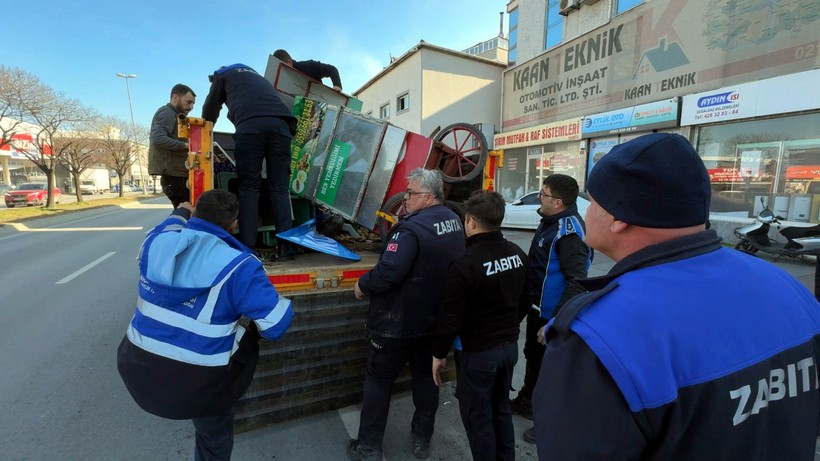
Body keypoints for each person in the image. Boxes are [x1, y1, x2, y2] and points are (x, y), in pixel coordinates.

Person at [532, 133, 820, 460]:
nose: (587, 211)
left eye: (594, 201)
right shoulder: (789, 288)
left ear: (619, 218)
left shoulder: (600, 335)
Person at [116, 189, 294, 461]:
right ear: (233, 224)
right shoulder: (240, 266)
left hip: (135, 371)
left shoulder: (155, 243)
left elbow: (169, 226)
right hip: (198, 390)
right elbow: (276, 326)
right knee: (214, 439)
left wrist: (180, 212)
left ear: (195, 214)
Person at [347, 168, 466, 461]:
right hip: (434, 322)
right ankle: (421, 440)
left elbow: (390, 272)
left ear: (428, 196)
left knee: (378, 381)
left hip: (396, 323)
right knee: (427, 381)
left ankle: (368, 448)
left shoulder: (410, 228)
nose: (405, 199)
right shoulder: (453, 220)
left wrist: (363, 285)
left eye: (410, 193)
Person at [431, 190, 532, 461]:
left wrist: (438, 355)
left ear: (471, 221)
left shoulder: (465, 263)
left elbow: (450, 316)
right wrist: (508, 326)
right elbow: (527, 299)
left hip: (478, 354)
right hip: (509, 349)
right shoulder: (517, 254)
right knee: (500, 411)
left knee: (478, 419)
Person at [510, 174, 590, 444]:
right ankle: (527, 401)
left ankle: (546, 420)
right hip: (537, 308)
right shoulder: (551, 222)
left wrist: (556, 321)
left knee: (549, 368)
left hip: (551, 315)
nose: (539, 198)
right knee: (534, 358)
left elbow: (577, 280)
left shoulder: (568, 232)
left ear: (557, 202)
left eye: (542, 194)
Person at [201, 64, 298, 258]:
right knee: (280, 189)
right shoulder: (257, 78)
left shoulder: (222, 75)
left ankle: (247, 248)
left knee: (249, 188)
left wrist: (205, 132)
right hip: (282, 127)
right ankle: (287, 248)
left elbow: (210, 111)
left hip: (250, 127)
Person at [148, 83, 196, 208]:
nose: (191, 107)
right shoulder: (167, 113)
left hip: (178, 174)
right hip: (174, 176)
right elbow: (158, 138)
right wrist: (187, 146)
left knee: (186, 212)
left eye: (193, 104)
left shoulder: (177, 116)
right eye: (188, 102)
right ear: (175, 98)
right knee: (185, 212)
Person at [273, 49, 343, 91]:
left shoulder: (308, 66)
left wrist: (337, 86)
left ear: (288, 63)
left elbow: (332, 69)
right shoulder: (283, 83)